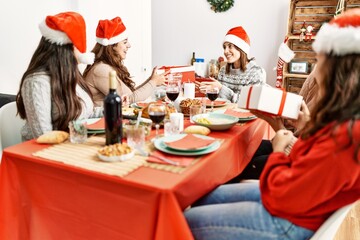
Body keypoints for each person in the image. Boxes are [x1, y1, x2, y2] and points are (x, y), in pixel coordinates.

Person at [184, 9, 360, 240]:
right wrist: (305, 127)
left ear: (338, 71)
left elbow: (280, 193)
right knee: (202, 196)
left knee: (183, 220)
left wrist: (278, 149)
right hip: (297, 201)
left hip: (290, 217)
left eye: (320, 62)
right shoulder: (343, 119)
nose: (316, 72)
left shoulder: (349, 134)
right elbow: (311, 164)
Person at [16, 12, 103, 141]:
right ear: (68, 49)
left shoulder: (71, 75)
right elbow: (44, 136)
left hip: (73, 144)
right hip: (42, 154)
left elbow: (85, 114)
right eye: (80, 45)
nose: (84, 50)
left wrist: (112, 108)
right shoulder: (37, 82)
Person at [83, 17, 166, 106]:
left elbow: (130, 94)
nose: (129, 45)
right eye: (125, 42)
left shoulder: (106, 66)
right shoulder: (100, 70)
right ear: (112, 46)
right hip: (103, 119)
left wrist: (151, 79)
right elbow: (129, 99)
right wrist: (153, 82)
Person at [197, 26, 266, 103]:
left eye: (230, 46)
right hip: (222, 113)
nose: (225, 51)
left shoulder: (256, 73)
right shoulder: (223, 70)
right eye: (224, 47)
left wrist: (221, 89)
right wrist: (209, 90)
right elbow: (218, 101)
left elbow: (251, 102)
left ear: (241, 48)